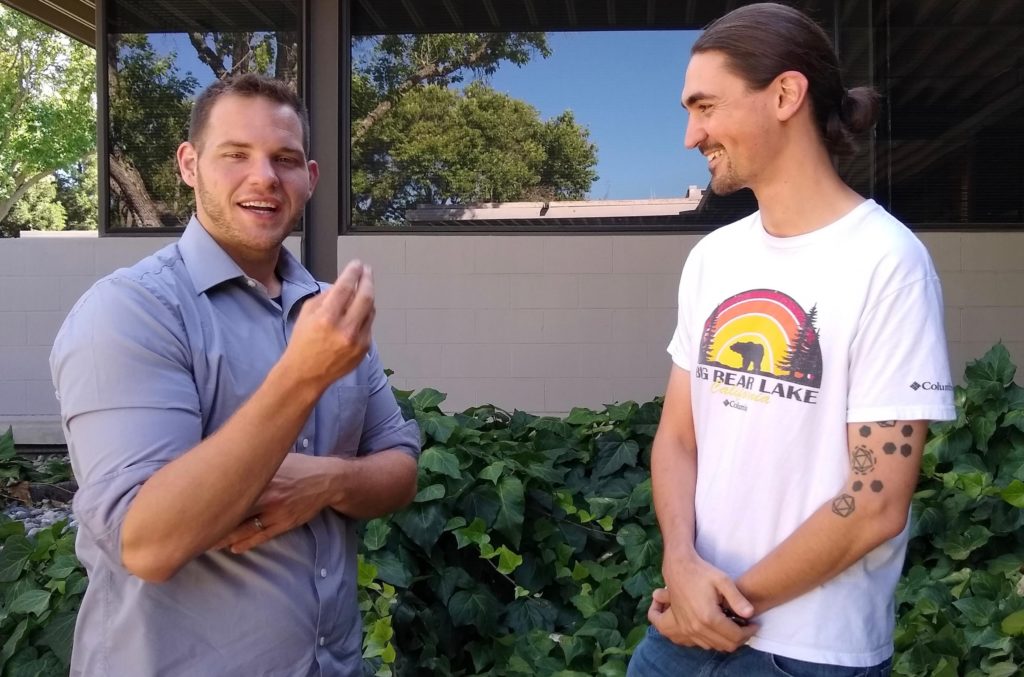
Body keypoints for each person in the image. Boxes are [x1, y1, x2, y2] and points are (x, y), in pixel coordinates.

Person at [50, 74, 420, 676]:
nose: (265, 178)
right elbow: (147, 543)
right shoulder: (130, 311)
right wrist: (301, 377)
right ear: (189, 164)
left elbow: (401, 468)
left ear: (311, 178)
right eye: (235, 155)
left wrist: (325, 482)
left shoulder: (329, 312)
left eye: (284, 159)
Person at [628, 4, 955, 676]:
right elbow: (678, 437)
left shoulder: (887, 262)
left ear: (785, 94)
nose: (692, 134)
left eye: (706, 106)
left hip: (810, 652)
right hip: (682, 636)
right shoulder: (714, 259)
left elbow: (876, 502)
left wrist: (722, 604)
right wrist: (681, 565)